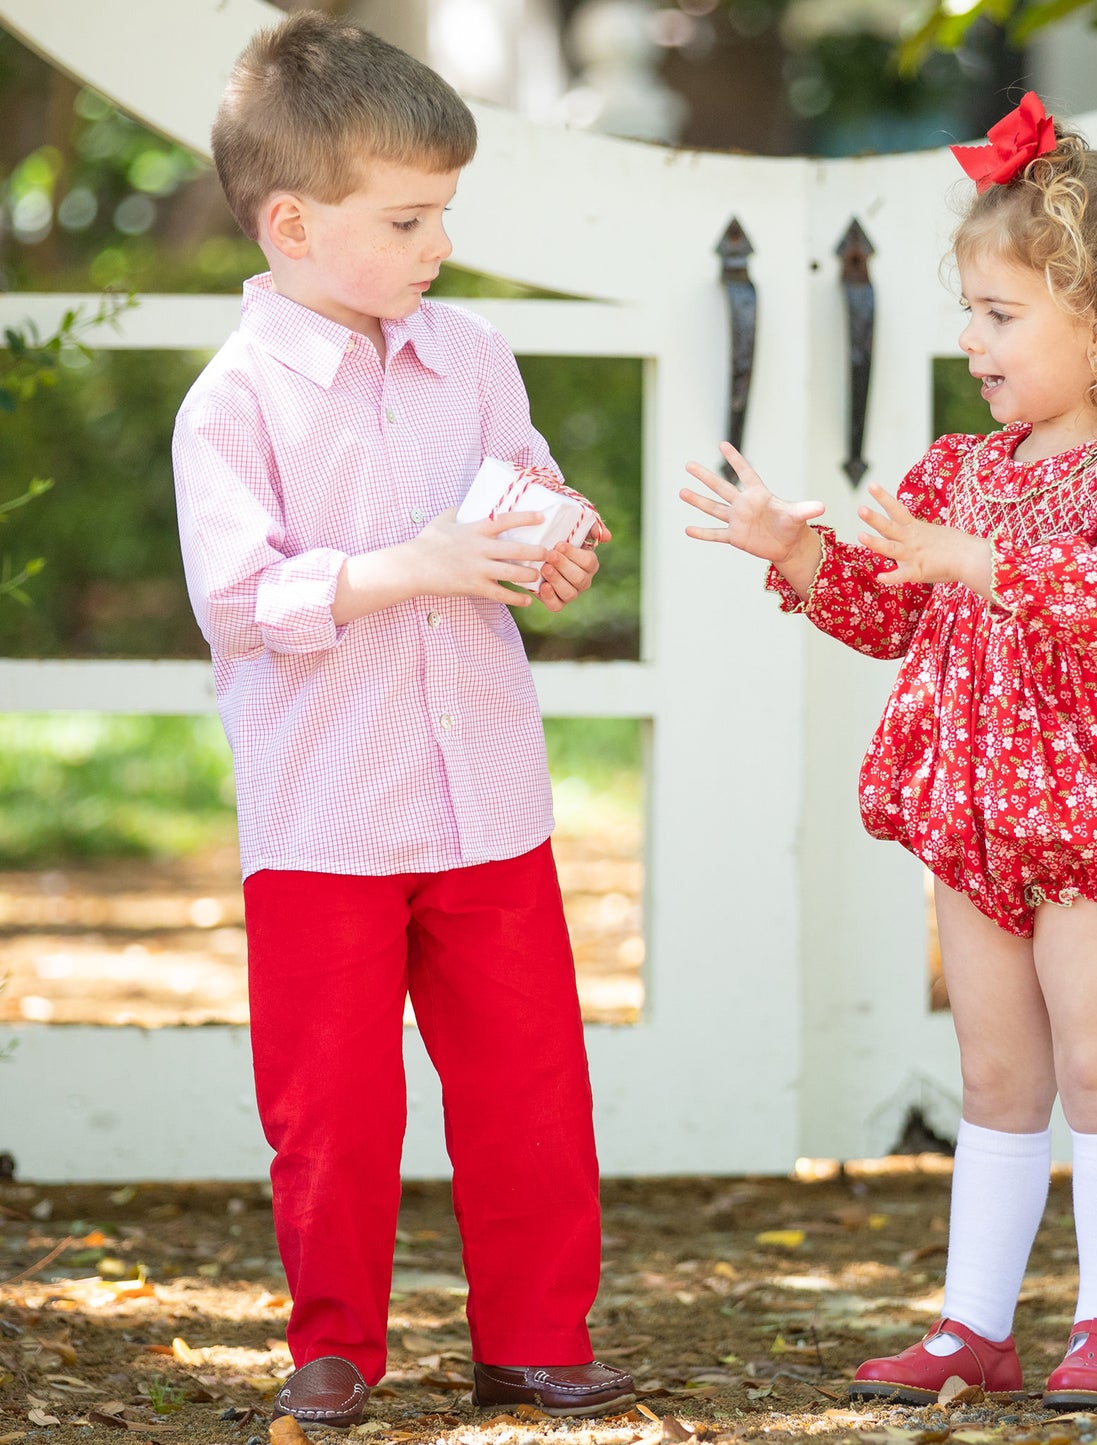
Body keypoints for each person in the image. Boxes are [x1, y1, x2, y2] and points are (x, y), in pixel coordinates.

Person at [681, 92, 1097, 1409]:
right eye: (968, 309)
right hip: (979, 805)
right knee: (994, 1073)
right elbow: (888, 612)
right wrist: (794, 547)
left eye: (999, 314)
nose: (969, 338)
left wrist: (983, 563)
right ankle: (972, 1323)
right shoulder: (959, 469)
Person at [173, 12, 634, 1424]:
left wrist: (559, 538)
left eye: (444, 211)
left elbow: (526, 489)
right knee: (334, 1109)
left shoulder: (472, 352)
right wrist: (407, 569)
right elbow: (241, 600)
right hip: (326, 813)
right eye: (409, 217)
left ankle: (536, 1336)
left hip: (484, 793)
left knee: (531, 1087)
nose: (437, 243)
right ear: (294, 223)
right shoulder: (235, 401)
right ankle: (334, 1345)